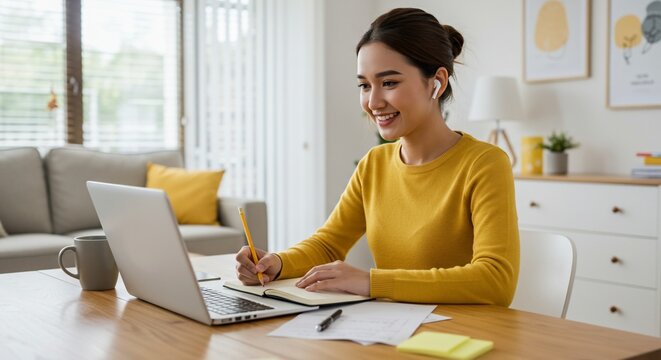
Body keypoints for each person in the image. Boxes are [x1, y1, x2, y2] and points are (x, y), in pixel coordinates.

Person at [235, 7, 519, 306]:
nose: (372, 102)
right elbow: (329, 244)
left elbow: (495, 279)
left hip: (461, 336)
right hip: (393, 328)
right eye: (364, 85)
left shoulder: (484, 163)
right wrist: (276, 263)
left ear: (437, 82)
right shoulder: (375, 164)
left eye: (389, 83)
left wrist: (371, 282)